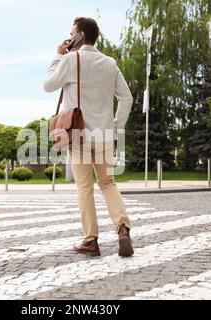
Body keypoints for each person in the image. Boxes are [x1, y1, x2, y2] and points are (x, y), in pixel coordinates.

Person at [43, 17, 134, 257]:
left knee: (85, 186)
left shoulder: (71, 59)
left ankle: (91, 240)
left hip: (79, 134)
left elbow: (48, 84)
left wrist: (58, 56)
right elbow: (127, 98)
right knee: (108, 183)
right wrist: (116, 126)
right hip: (105, 134)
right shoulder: (110, 62)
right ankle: (123, 228)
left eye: (72, 32)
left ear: (80, 36)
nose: (69, 36)